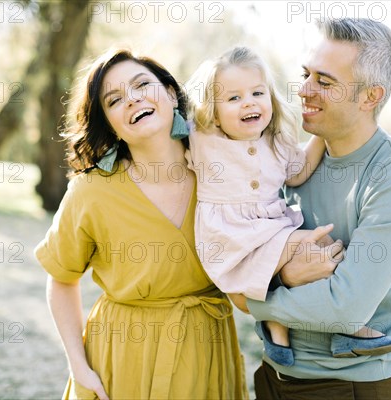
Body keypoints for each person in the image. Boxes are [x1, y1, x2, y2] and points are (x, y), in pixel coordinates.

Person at [34, 49, 248, 400]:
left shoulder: (222, 169)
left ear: (168, 93)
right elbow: (61, 279)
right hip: (121, 359)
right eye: (114, 100)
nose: (133, 100)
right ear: (109, 123)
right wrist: (78, 365)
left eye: (142, 85)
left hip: (207, 351)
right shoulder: (91, 191)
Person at [246, 18, 391, 399]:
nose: (304, 90)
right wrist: (282, 275)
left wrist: (249, 295)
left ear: (370, 96)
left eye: (325, 82)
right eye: (306, 74)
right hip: (272, 379)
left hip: (350, 387)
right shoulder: (290, 166)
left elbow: (345, 310)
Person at [185, 46, 391, 367]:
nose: (248, 102)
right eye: (233, 98)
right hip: (228, 236)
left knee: (319, 251)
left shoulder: (276, 143)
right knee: (316, 244)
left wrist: (322, 134)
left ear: (270, 98)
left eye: (257, 92)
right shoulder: (203, 139)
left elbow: (298, 173)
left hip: (269, 229)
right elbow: (156, 130)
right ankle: (345, 328)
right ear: (213, 112)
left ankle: (279, 333)